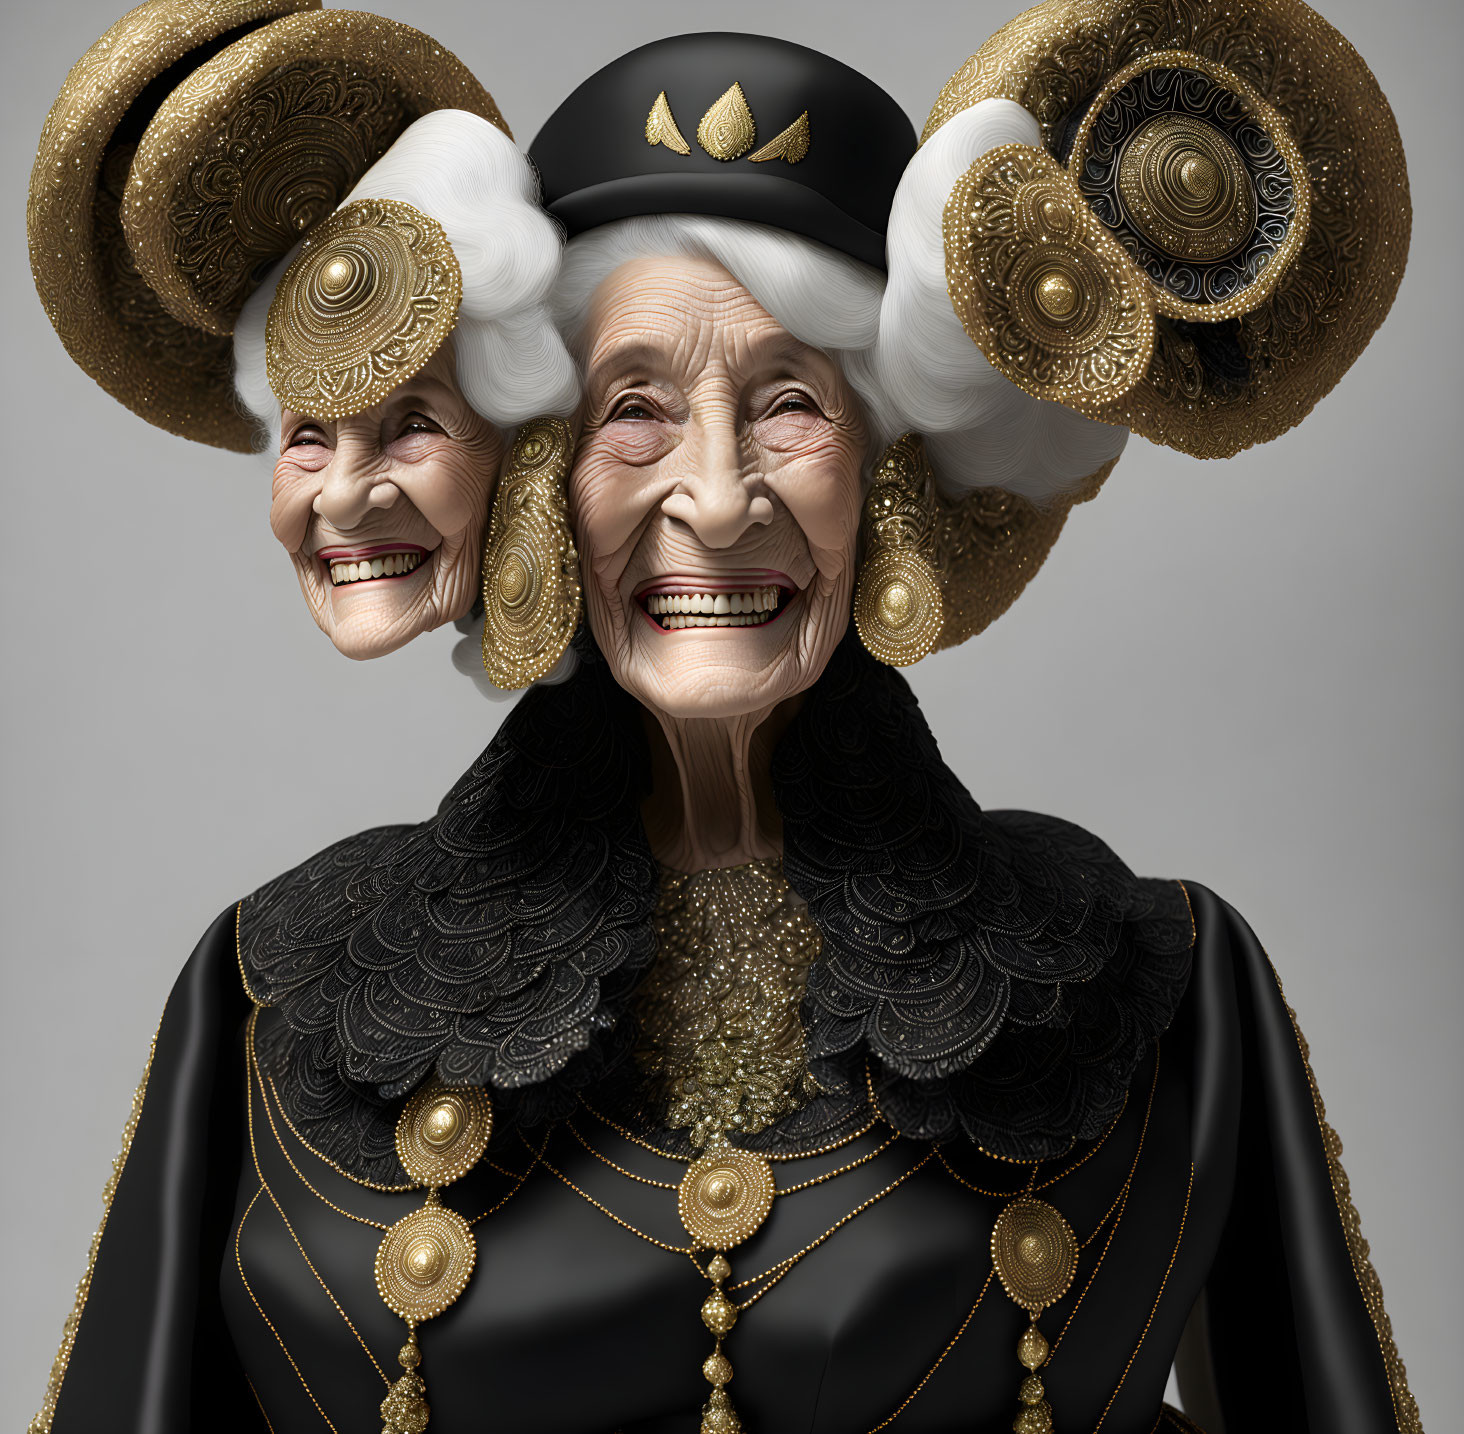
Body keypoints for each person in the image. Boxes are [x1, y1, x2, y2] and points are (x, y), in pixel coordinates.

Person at [25, 5, 1421, 1433]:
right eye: (634, 407)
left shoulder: (1170, 985)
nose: (716, 493)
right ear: (544, 483)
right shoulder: (265, 987)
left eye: (789, 406)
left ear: (883, 475)